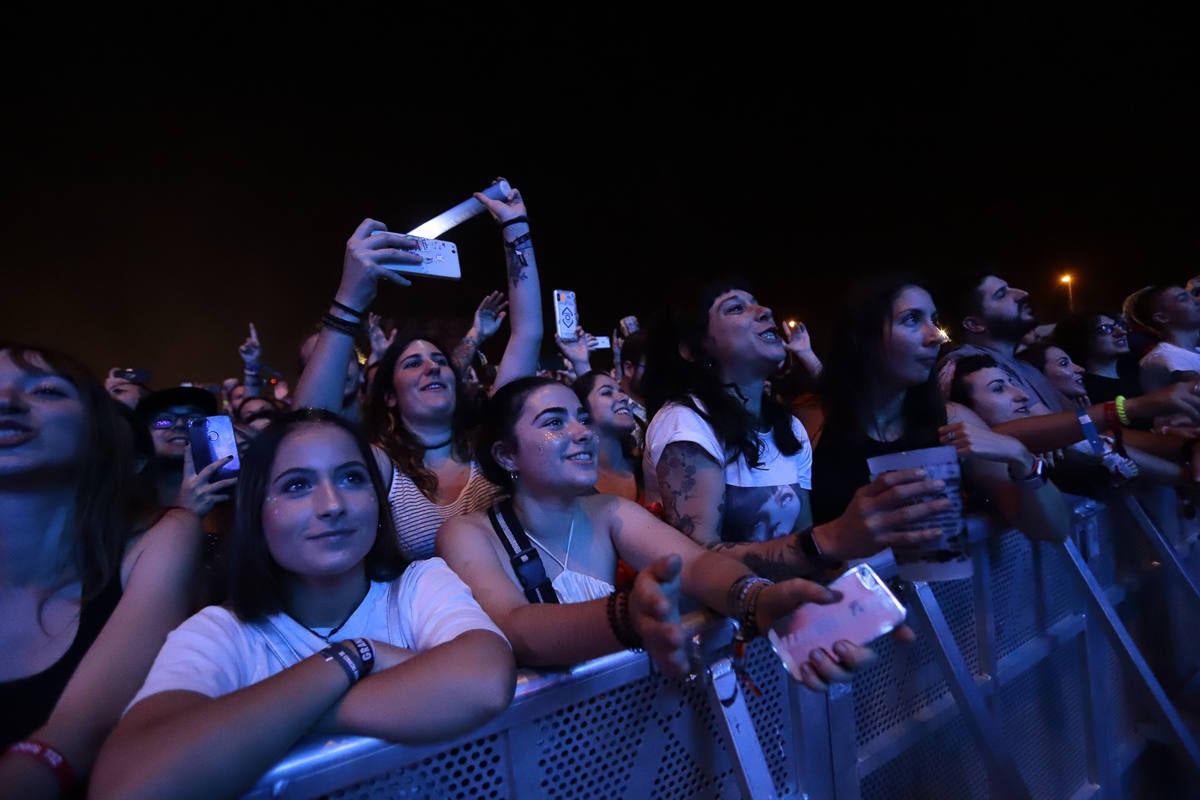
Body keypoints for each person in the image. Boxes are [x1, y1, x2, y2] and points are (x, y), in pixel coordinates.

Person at [89, 409, 516, 800]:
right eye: (296, 485)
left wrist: (265, 719)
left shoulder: (418, 583)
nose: (332, 506)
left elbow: (483, 681)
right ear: (257, 511)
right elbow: (129, 785)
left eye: (352, 478)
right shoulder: (220, 630)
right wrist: (355, 659)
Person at [435, 376, 883, 691]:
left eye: (581, 419)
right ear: (506, 455)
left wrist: (755, 599)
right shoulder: (467, 534)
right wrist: (632, 615)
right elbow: (517, 629)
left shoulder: (610, 510)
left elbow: (696, 563)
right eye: (554, 423)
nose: (581, 433)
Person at [0, 343, 225, 798]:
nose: (6, 401)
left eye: (44, 390)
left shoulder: (162, 538)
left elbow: (79, 730)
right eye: (163, 420)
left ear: (96, 432)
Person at [638, 276, 957, 582]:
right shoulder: (686, 421)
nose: (765, 311)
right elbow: (695, 559)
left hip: (788, 621)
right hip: (720, 633)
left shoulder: (788, 428)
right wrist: (830, 539)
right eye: (736, 308)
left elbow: (805, 541)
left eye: (757, 303)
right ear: (694, 349)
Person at [293, 179, 542, 561]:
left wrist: (516, 229)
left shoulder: (492, 445)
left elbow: (526, 334)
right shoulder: (380, 467)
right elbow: (310, 424)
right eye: (413, 363)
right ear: (389, 394)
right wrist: (349, 298)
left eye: (440, 361)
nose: (432, 368)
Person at [810, 274, 1072, 545]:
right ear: (862, 336)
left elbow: (1053, 529)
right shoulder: (813, 424)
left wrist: (1021, 458)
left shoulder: (951, 421)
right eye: (912, 319)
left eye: (933, 321)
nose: (936, 336)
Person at [937, 270, 1071, 413]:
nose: (1022, 293)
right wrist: (1096, 416)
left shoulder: (1024, 366)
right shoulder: (966, 366)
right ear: (974, 324)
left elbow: (1073, 415)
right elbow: (1044, 426)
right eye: (1001, 294)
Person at [1051, 311, 1141, 404]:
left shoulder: (1137, 367)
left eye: (1119, 326)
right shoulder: (1084, 390)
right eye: (1105, 328)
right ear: (1080, 339)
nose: (1122, 332)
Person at [1128, 284, 1200, 392]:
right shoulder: (1162, 359)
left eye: (1193, 295)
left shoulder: (1195, 351)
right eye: (1183, 299)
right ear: (1162, 318)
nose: (1197, 300)